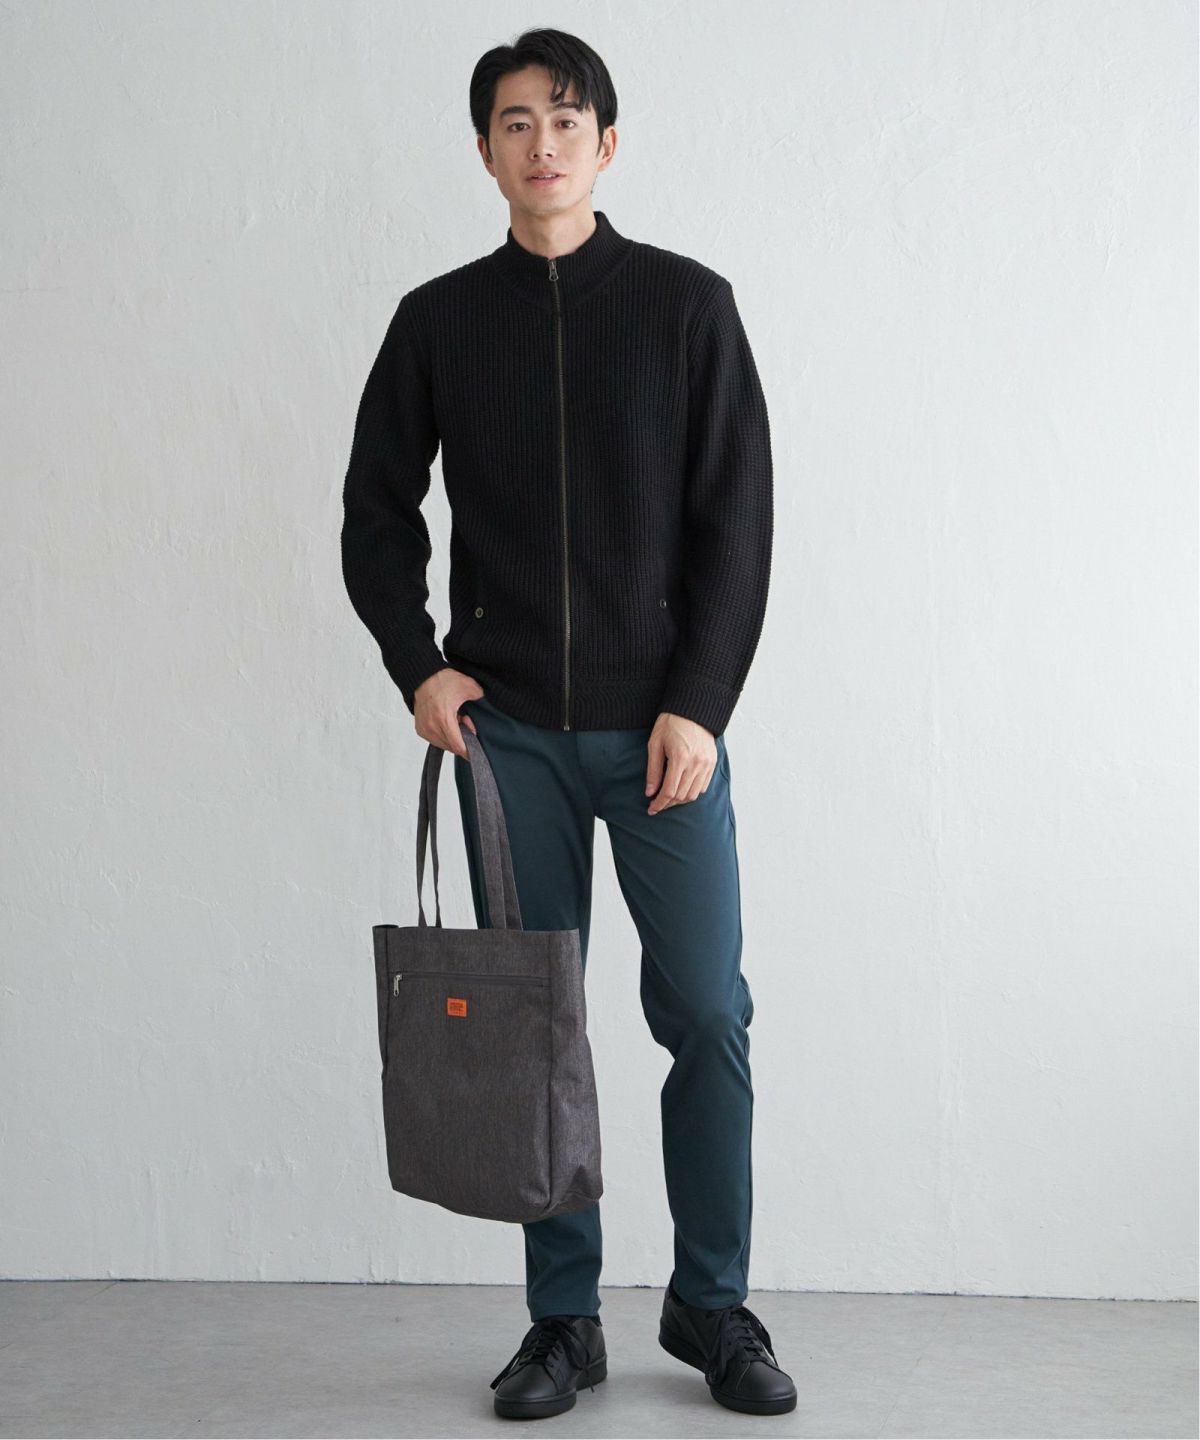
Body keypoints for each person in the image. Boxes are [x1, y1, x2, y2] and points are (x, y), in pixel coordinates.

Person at [341, 26, 794, 1422]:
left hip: (663, 739)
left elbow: (738, 525)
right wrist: (421, 668)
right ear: (486, 152)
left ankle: (710, 1301)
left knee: (706, 1010)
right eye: (515, 122)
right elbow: (373, 514)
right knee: (539, 1026)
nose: (542, 143)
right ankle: (563, 1318)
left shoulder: (687, 307)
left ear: (608, 142)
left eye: (565, 117)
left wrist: (699, 705)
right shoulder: (437, 322)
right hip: (512, 743)